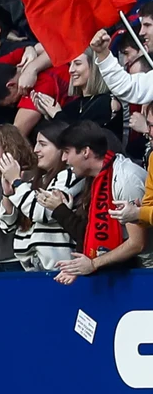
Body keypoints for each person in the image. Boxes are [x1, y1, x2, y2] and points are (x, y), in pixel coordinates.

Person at [57, 120, 148, 284]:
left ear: (85, 152)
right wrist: (80, 266)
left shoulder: (125, 179)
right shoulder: (96, 179)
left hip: (146, 272)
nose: (64, 159)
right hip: (130, 270)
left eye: (66, 151)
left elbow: (137, 243)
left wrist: (93, 264)